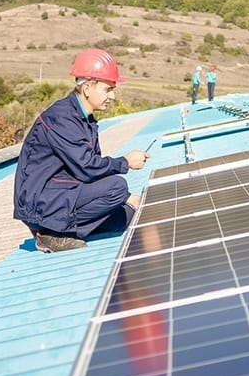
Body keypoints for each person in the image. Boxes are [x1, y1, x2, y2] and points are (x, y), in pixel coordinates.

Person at [13, 48, 149, 253]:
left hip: (62, 193)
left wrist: (128, 198)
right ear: (87, 88)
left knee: (125, 216)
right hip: (41, 203)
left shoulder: (83, 118)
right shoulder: (62, 119)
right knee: (117, 187)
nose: (112, 96)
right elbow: (87, 168)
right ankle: (49, 234)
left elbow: (87, 168)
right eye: (107, 89)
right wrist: (126, 162)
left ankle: (67, 229)